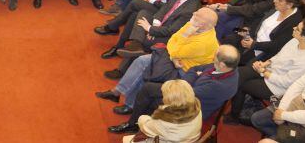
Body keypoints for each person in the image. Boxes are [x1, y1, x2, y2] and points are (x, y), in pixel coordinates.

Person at [96, 8, 219, 116]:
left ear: (202, 24)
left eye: (197, 15)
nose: (194, 13)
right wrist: (174, 53)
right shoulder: (193, 24)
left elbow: (175, 49)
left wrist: (179, 44)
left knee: (147, 68)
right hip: (172, 59)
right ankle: (117, 92)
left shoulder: (205, 42)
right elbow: (172, 40)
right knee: (141, 61)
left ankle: (130, 104)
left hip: (184, 71)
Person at [110, 46, 239, 134]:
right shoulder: (228, 66)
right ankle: (137, 121)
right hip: (188, 93)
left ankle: (136, 123)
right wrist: (195, 76)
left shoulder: (220, 85)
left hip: (189, 108)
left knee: (152, 96)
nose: (212, 59)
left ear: (222, 64)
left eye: (215, 58)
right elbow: (194, 69)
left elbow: (187, 91)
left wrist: (194, 77)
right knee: (149, 88)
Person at [226, 19, 305, 124]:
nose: (294, 28)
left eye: (298, 29)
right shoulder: (295, 40)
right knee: (239, 73)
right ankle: (224, 95)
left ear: (304, 37)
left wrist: (263, 71)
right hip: (268, 70)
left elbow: (286, 82)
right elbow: (278, 56)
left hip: (276, 87)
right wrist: (264, 64)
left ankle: (234, 117)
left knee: (242, 86)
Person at [97, 0, 200, 63]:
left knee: (143, 35)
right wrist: (154, 24)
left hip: (169, 36)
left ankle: (125, 59)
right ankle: (131, 45)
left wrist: (151, 30)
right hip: (161, 24)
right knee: (139, 13)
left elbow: (171, 30)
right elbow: (165, 9)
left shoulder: (189, 11)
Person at [222, 0, 304, 65]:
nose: (274, 1)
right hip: (252, 37)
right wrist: (246, 30)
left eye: (279, 0)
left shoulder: (293, 22)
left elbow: (276, 45)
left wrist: (253, 44)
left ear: (289, 5)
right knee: (229, 35)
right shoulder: (277, 7)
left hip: (261, 50)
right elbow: (259, 20)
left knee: (233, 58)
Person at [121, 80, 203, 143]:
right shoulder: (197, 108)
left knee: (126, 139)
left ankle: (131, 126)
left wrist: (143, 117)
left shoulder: (165, 121)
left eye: (164, 95)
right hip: (188, 140)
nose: (163, 97)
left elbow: (145, 126)